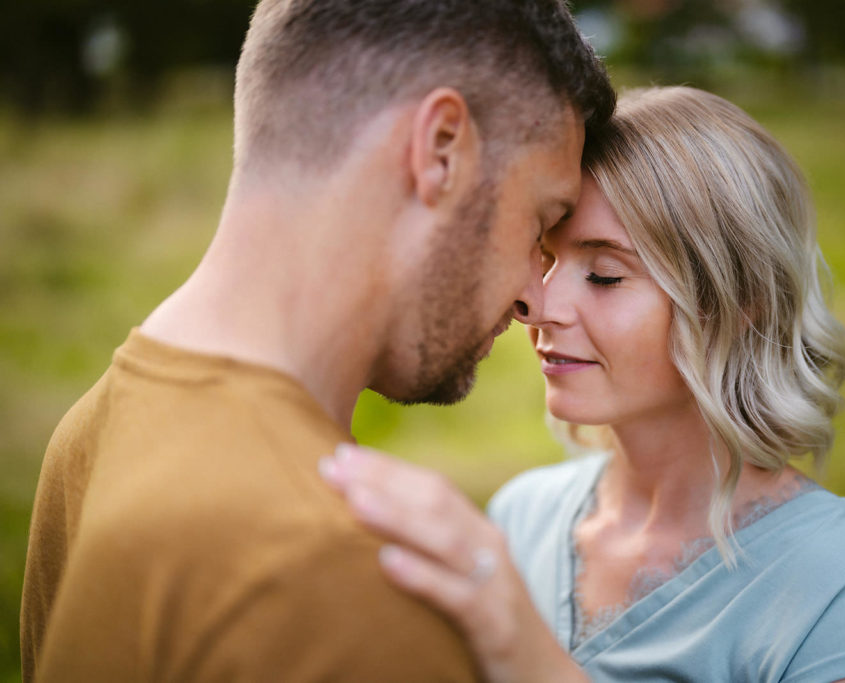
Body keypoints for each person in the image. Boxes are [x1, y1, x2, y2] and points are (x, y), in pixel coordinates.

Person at [19, 1, 615, 680]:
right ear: (441, 147)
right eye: (540, 217)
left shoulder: (87, 436)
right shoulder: (348, 578)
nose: (531, 297)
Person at [320, 86, 845, 682]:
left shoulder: (842, 586)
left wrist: (526, 652)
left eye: (606, 275)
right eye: (546, 259)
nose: (535, 305)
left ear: (738, 302)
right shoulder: (521, 515)